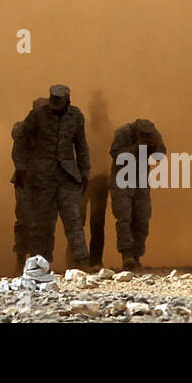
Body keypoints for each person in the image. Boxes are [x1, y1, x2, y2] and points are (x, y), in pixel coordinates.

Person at [14, 85, 94, 271]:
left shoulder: (76, 116)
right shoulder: (37, 116)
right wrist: (21, 167)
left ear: (68, 101)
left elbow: (81, 146)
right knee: (42, 222)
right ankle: (40, 265)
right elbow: (21, 141)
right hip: (41, 176)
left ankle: (82, 262)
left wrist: (84, 172)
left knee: (73, 219)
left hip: (67, 176)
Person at [108, 118, 166, 270]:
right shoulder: (123, 132)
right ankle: (126, 255)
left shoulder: (154, 133)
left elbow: (162, 154)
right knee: (124, 217)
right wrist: (137, 148)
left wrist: (153, 149)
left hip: (141, 181)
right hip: (121, 179)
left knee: (142, 219)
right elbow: (114, 153)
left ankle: (136, 256)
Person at [82, 90, 113, 268]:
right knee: (78, 220)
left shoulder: (110, 129)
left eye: (99, 108)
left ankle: (95, 261)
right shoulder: (82, 127)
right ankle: (77, 259)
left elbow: (116, 152)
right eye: (94, 108)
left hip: (101, 178)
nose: (96, 111)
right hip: (82, 177)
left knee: (97, 221)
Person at [11, 99, 43, 274]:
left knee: (42, 223)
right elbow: (17, 137)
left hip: (45, 181)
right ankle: (20, 259)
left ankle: (37, 260)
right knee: (24, 221)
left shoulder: (53, 131)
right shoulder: (22, 128)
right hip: (25, 181)